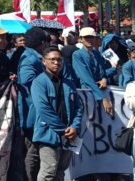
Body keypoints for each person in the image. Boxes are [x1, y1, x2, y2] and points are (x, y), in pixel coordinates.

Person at [31, 45, 83, 181]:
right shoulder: (39, 82)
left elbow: (78, 107)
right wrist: (63, 129)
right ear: (44, 61)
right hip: (48, 134)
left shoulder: (69, 83)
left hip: (68, 135)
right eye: (52, 59)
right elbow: (43, 110)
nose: (56, 63)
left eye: (59, 60)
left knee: (61, 171)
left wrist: (75, 126)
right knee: (48, 172)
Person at [17, 27, 50, 181]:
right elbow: (26, 79)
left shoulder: (33, 57)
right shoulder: (30, 59)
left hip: (36, 111)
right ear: (42, 43)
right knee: (33, 152)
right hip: (32, 113)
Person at [73, 27, 114, 116]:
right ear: (80, 39)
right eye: (86, 37)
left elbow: (103, 72)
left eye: (91, 37)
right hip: (86, 92)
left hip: (100, 90)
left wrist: (104, 79)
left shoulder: (97, 53)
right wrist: (102, 98)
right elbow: (86, 78)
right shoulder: (77, 55)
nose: (89, 40)